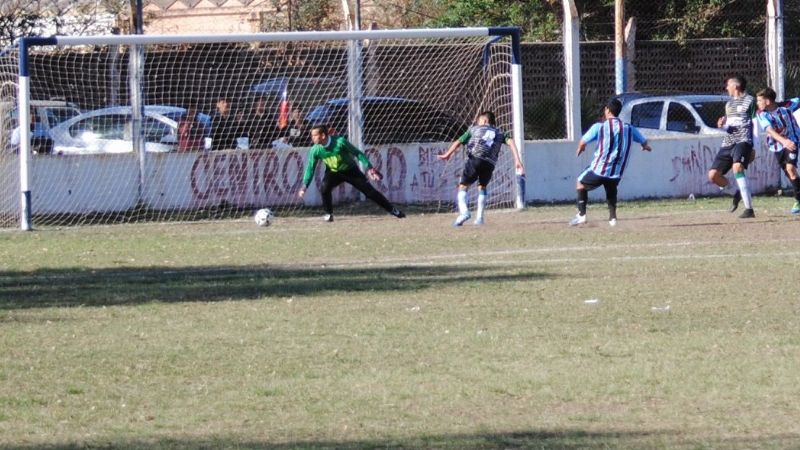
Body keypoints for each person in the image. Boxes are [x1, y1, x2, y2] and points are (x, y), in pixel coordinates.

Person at [570, 98, 652, 226]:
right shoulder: (628, 128)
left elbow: (583, 141)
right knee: (611, 188)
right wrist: (645, 147)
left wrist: (581, 148)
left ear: (607, 110)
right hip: (617, 172)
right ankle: (612, 219)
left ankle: (581, 216)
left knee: (580, 181)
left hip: (599, 170)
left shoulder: (600, 127)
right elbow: (644, 142)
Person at [298, 125, 406, 222]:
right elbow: (310, 168)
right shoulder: (315, 150)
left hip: (350, 171)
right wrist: (304, 186)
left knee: (370, 193)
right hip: (333, 172)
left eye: (314, 135)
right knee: (324, 188)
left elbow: (358, 153)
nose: (312, 138)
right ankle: (328, 214)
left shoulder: (340, 142)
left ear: (322, 135)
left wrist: (369, 168)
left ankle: (393, 210)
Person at [437, 111, 524, 226]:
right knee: (482, 187)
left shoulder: (474, 129)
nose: (477, 123)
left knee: (462, 187)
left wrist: (447, 154)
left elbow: (458, 141)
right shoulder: (500, 132)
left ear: (484, 121)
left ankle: (464, 213)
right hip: (490, 164)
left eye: (479, 121)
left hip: (475, 159)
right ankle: (479, 219)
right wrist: (517, 160)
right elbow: (511, 142)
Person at [708, 75, 756, 218]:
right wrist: (722, 126)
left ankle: (749, 209)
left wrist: (755, 146)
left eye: (728, 85)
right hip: (728, 142)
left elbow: (755, 123)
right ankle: (737, 191)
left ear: (736, 86)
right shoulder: (728, 105)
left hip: (744, 140)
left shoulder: (750, 100)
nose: (726, 88)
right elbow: (729, 128)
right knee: (713, 175)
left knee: (737, 168)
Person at [755, 87, 800, 214]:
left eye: (759, 101)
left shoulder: (787, 106)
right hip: (776, 146)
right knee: (789, 173)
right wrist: (783, 141)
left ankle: (798, 200)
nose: (757, 104)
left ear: (767, 101)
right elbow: (769, 130)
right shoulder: (761, 113)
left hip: (793, 141)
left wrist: (787, 141)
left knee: (791, 169)